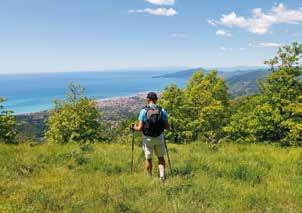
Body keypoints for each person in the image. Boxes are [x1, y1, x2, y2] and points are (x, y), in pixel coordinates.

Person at [131, 92, 169, 181]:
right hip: (159, 137)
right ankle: (162, 176)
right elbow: (167, 127)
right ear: (156, 100)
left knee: (148, 159)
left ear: (148, 99)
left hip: (148, 138)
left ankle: (149, 177)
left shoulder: (143, 111)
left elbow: (140, 128)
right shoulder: (162, 110)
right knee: (161, 158)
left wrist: (133, 127)